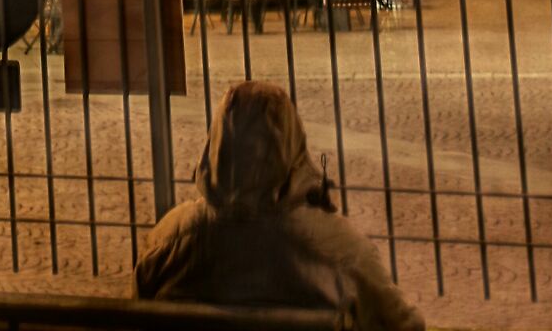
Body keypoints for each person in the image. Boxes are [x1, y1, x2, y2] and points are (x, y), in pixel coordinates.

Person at [135, 80, 424, 330]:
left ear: (216, 146)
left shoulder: (169, 242)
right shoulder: (338, 249)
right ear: (293, 144)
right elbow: (403, 324)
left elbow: (135, 314)